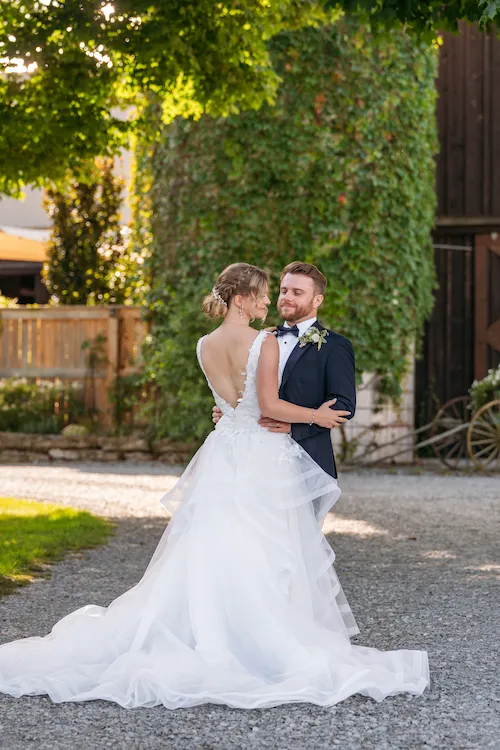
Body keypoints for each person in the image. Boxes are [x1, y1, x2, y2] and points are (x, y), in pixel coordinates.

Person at [0, 262, 429, 710]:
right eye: (266, 294)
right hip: (261, 454)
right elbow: (266, 403)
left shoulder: (204, 344)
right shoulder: (263, 340)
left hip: (223, 451)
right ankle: (260, 639)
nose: (271, 301)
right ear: (242, 299)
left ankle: (207, 629)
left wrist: (235, 413)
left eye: (283, 293)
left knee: (211, 542)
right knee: (267, 546)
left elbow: (234, 402)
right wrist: (314, 416)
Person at [213, 261, 356, 481]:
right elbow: (244, 388)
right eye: (284, 290)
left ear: (317, 300)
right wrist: (233, 410)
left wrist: (294, 427)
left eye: (297, 292)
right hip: (254, 458)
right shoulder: (260, 339)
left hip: (307, 459)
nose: (287, 297)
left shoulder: (335, 346)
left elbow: (344, 407)